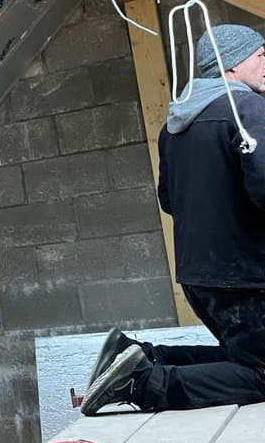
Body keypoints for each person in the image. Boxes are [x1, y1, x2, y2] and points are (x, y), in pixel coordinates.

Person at [82, 23, 265, 415]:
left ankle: (139, 356)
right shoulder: (247, 110)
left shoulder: (176, 125)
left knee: (244, 358)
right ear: (232, 65)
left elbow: (169, 199)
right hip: (247, 277)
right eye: (260, 55)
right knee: (261, 372)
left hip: (201, 278)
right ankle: (141, 383)